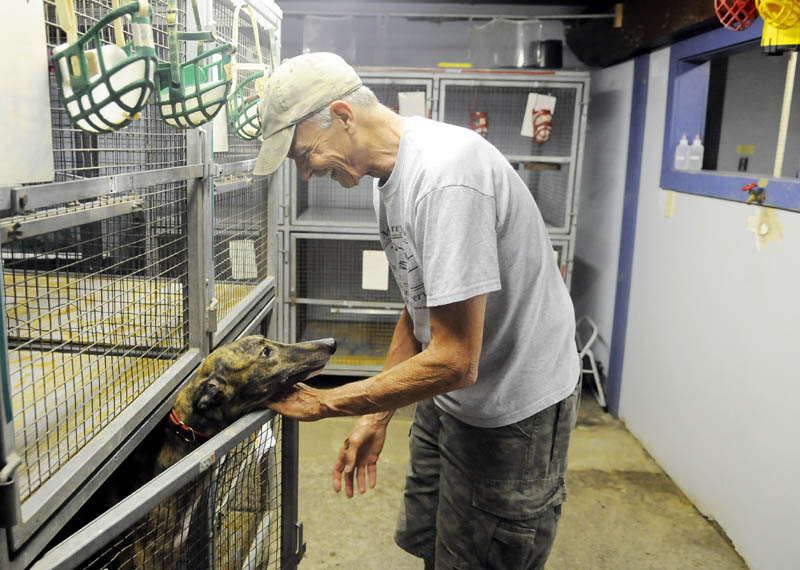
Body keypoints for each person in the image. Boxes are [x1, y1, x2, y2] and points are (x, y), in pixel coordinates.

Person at [254, 52, 581, 570]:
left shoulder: (447, 176)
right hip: (449, 399)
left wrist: (328, 403)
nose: (305, 172)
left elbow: (455, 360)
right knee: (433, 545)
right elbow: (420, 306)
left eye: (304, 154)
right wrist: (377, 413)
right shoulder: (388, 180)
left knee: (485, 556)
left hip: (512, 408)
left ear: (343, 116)